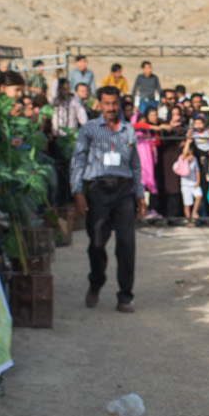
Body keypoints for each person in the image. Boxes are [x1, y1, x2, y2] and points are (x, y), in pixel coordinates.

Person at [71, 87, 146, 311]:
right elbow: (78, 161)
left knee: (126, 244)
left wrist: (140, 196)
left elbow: (135, 165)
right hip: (97, 192)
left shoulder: (128, 131)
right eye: (107, 103)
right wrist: (77, 192)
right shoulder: (89, 129)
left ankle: (125, 296)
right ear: (99, 105)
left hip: (123, 192)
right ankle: (96, 281)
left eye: (115, 103)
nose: (111, 108)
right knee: (96, 244)